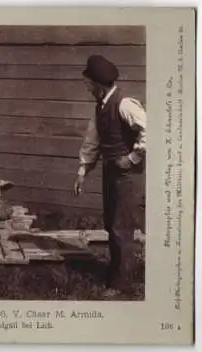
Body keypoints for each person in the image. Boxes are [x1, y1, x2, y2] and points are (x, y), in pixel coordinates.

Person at [74, 54, 146, 297]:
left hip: (128, 177)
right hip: (111, 173)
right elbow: (91, 142)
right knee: (112, 224)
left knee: (121, 227)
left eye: (87, 83)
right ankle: (117, 272)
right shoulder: (100, 108)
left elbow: (151, 132)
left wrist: (133, 158)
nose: (86, 88)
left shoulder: (125, 105)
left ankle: (121, 284)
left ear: (98, 84)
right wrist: (83, 171)